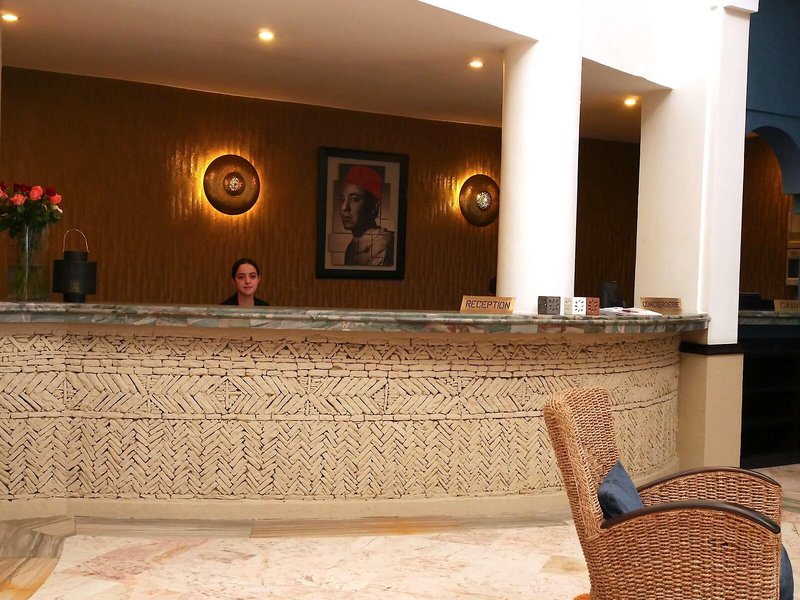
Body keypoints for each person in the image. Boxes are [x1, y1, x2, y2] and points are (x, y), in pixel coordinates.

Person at [338, 165, 395, 266]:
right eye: (342, 199)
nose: (344, 207)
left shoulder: (382, 245)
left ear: (374, 206)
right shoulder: (352, 248)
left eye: (354, 199)